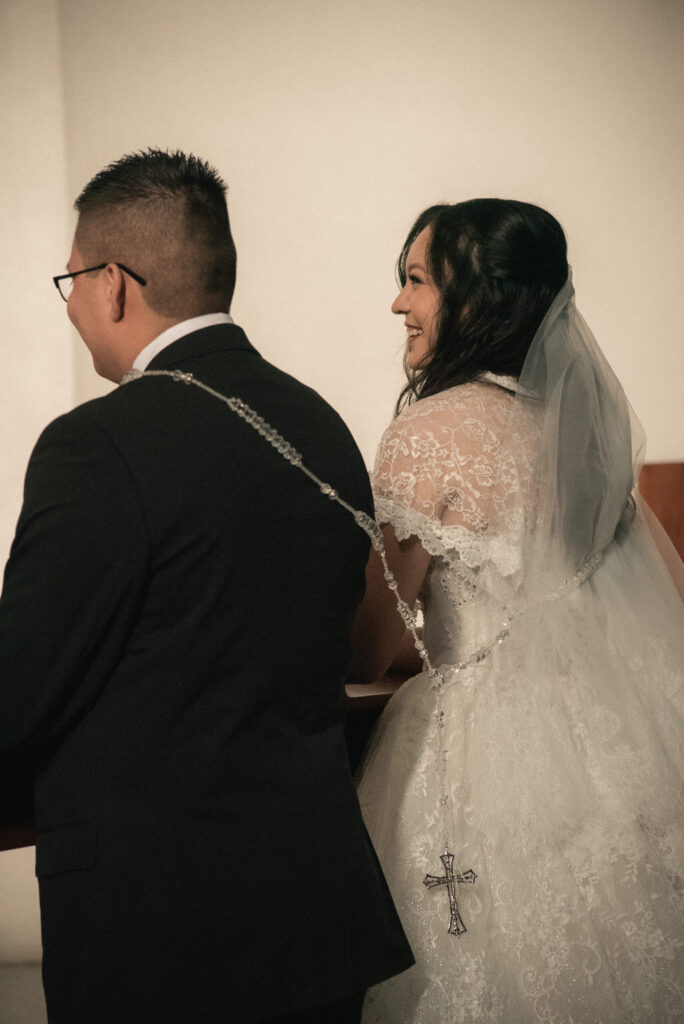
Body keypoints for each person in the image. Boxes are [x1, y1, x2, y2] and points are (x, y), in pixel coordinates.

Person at [0, 149, 413, 1024]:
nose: (72, 304)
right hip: (314, 906)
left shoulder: (96, 446)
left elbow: (22, 686)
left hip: (158, 930)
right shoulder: (320, 423)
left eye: (71, 280)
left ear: (114, 283)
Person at [352, 200, 684, 1022]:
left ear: (476, 299)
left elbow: (367, 647)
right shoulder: (578, 439)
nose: (399, 303)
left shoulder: (428, 435)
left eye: (417, 280)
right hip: (608, 749)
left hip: (476, 763)